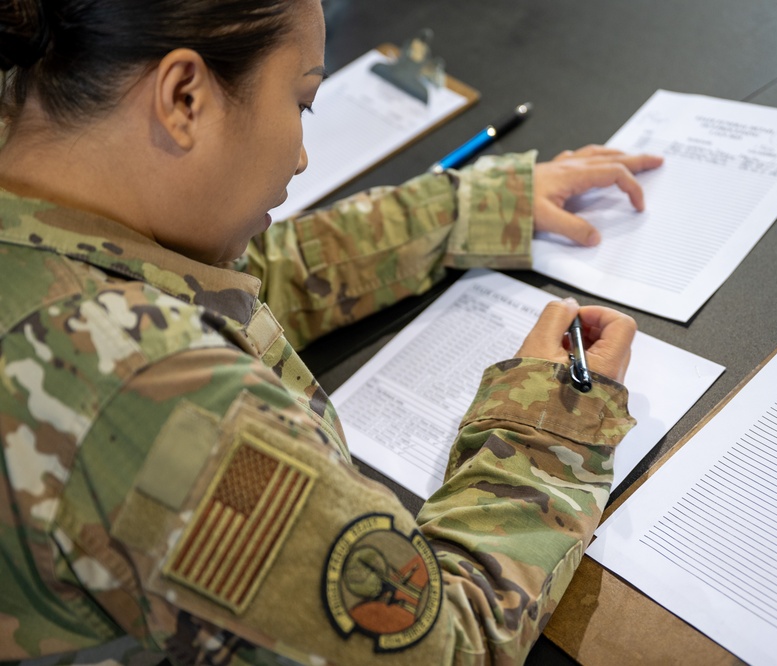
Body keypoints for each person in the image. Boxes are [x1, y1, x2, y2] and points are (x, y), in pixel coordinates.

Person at [0, 1, 663, 663]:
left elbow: (236, 270)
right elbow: (440, 650)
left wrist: (469, 208)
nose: (301, 157)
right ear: (183, 97)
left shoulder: (37, 177)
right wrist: (549, 426)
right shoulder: (150, 396)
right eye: (303, 101)